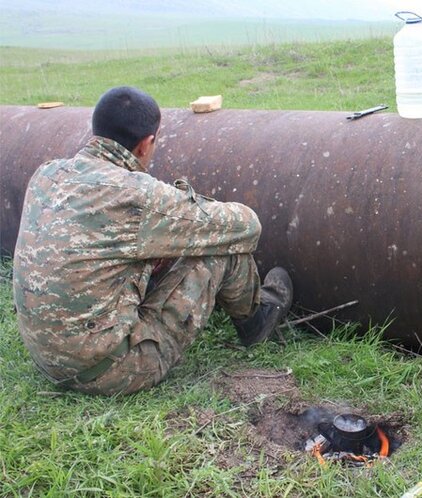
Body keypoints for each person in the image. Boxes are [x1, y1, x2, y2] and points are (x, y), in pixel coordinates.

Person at [12, 86, 293, 396]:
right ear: (146, 144)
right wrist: (191, 205)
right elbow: (246, 226)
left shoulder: (46, 174)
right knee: (222, 249)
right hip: (111, 372)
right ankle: (256, 323)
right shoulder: (135, 194)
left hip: (48, 360)